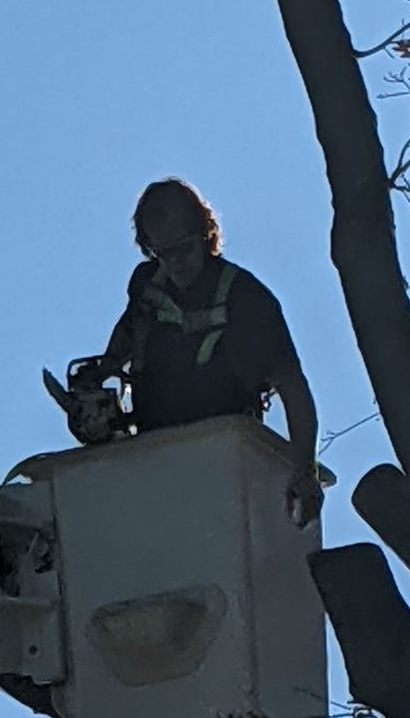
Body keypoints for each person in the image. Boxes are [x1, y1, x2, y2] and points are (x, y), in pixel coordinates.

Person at [52, 178, 325, 525]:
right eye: (163, 253)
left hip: (225, 452)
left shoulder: (247, 299)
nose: (175, 262)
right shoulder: (147, 286)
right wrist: (98, 377)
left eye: (184, 248)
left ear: (205, 234)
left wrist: (305, 472)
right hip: (154, 450)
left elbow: (294, 389)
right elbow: (128, 333)